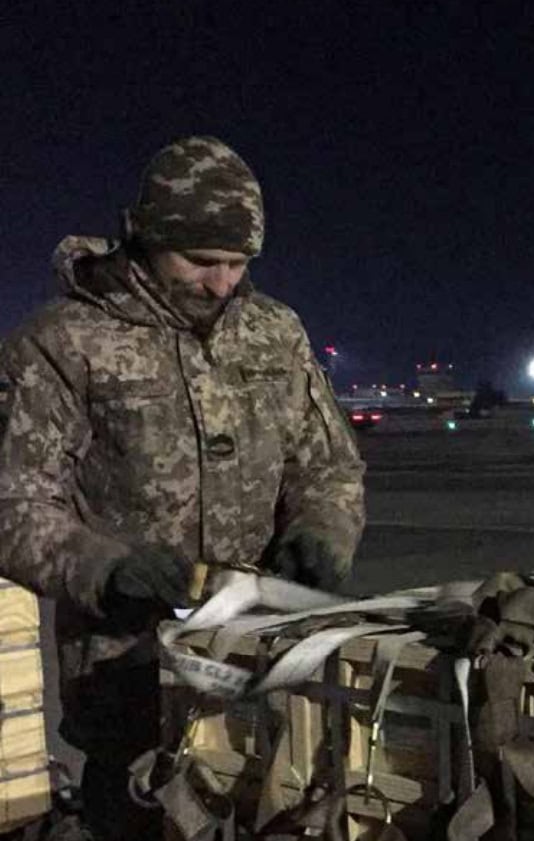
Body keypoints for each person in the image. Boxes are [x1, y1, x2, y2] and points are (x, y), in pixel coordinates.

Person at [0, 137, 366, 840]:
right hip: (128, 688)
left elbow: (330, 467)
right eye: (201, 262)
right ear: (143, 237)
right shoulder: (61, 343)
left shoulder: (274, 334)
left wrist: (323, 532)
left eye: (238, 264)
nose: (223, 282)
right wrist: (104, 567)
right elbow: (15, 504)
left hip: (266, 679)